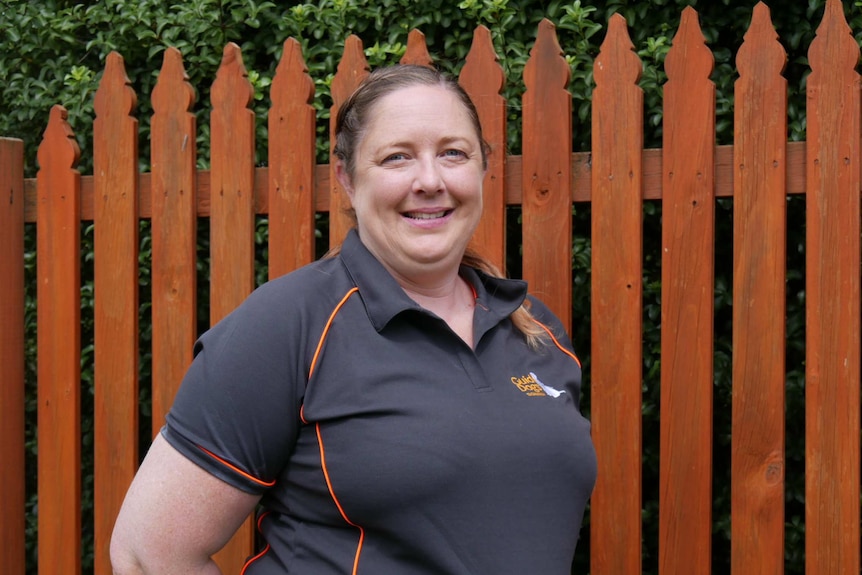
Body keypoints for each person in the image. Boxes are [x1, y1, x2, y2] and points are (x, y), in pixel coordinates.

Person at [110, 64, 596, 575]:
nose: (430, 180)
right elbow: (148, 554)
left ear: (482, 168)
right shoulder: (287, 325)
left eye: (453, 153)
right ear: (346, 176)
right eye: (397, 157)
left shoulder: (535, 330)